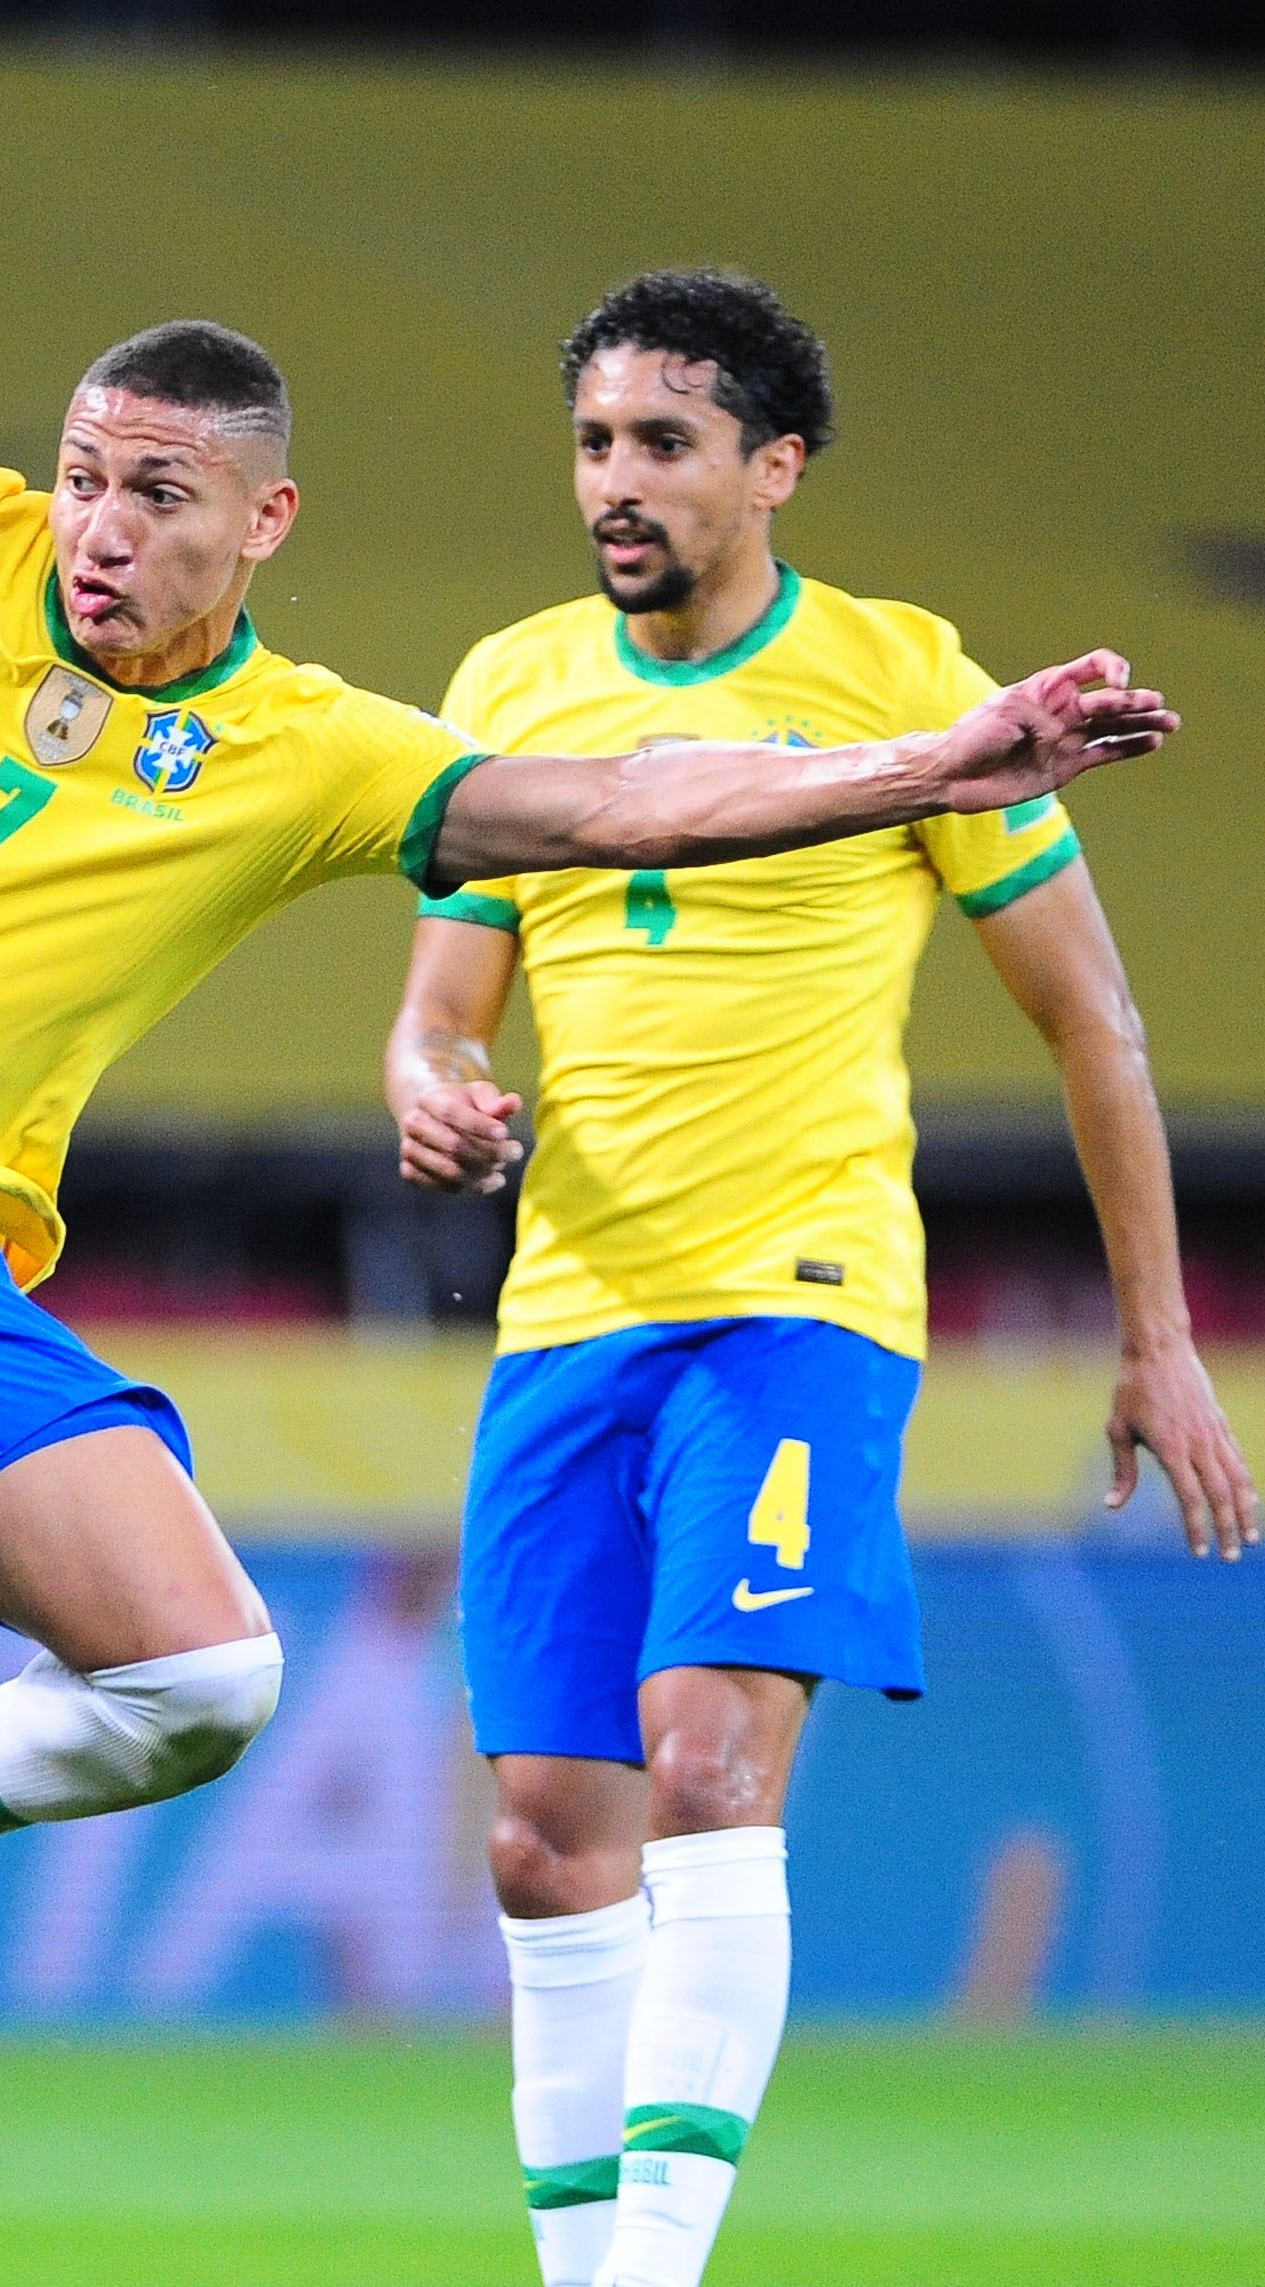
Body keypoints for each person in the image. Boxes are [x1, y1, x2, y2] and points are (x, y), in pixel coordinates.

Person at [0, 272, 1182, 2117]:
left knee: (203, 1678)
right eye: (88, 475)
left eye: (156, 494)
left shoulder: (314, 757)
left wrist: (940, 766)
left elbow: (620, 810)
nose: (96, 527)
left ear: (266, 521)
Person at [380, 268, 1255, 2287]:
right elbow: (441, 1003)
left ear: (773, 468)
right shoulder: (508, 683)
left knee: (702, 1756)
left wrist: (1158, 1337)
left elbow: (1092, 1020)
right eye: (595, 442)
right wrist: (438, 1084)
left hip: (801, 1299)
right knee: (541, 1837)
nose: (618, 482)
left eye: (665, 445)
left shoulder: (910, 685)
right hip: (571, 1320)